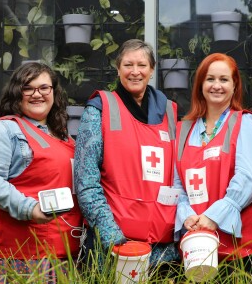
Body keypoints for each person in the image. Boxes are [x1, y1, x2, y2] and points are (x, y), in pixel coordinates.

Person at [74, 39, 179, 266]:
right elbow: (86, 182)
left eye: (142, 65)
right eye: (127, 65)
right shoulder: (98, 109)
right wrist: (113, 238)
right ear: (118, 68)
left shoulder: (170, 112)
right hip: (113, 246)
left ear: (152, 70)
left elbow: (178, 177)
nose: (135, 72)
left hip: (162, 250)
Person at [0, 62, 81, 280]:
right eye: (28, 88)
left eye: (44, 88)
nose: (36, 94)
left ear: (54, 93)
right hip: (13, 257)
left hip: (61, 253)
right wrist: (30, 209)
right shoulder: (3, 129)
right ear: (16, 94)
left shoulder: (64, 138)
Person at [173, 53, 252, 270]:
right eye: (210, 79)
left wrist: (214, 217)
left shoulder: (245, 123)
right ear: (200, 85)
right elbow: (177, 184)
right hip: (195, 242)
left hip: (239, 249)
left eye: (224, 80)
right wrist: (187, 216)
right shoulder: (183, 130)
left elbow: (248, 179)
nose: (217, 85)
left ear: (235, 86)